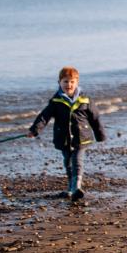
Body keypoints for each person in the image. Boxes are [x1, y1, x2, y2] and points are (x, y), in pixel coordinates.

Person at [28, 66, 107, 201]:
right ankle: (71, 187)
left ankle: (77, 187)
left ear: (77, 83)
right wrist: (34, 130)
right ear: (59, 82)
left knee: (77, 161)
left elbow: (95, 118)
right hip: (63, 139)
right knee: (68, 162)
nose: (68, 85)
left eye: (72, 82)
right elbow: (44, 117)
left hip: (81, 138)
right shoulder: (56, 101)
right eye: (65, 81)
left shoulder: (85, 100)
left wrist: (100, 135)